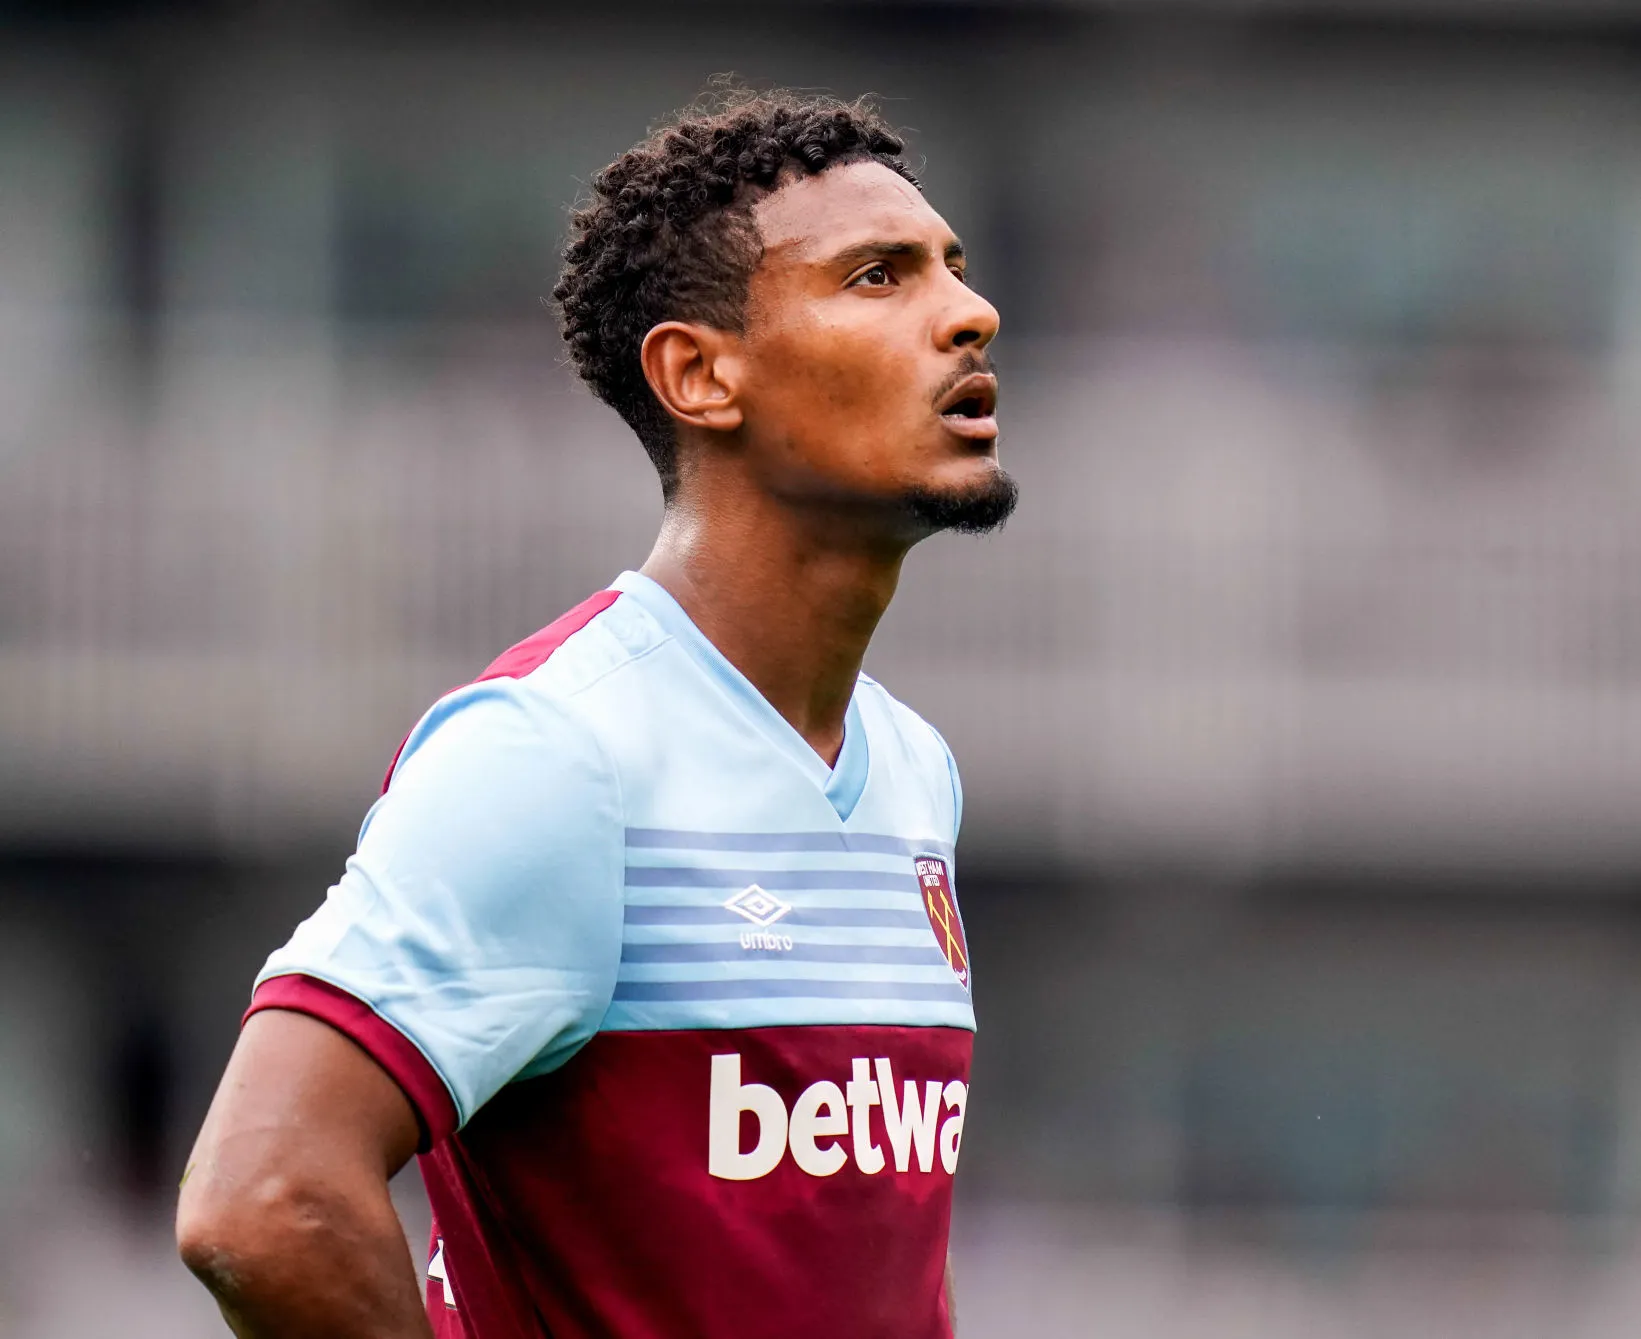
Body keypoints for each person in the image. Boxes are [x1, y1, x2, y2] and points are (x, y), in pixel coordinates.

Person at [175, 87, 1013, 1339]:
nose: (968, 311)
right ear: (698, 374)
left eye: (952, 267)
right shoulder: (557, 755)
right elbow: (263, 1201)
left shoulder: (911, 765)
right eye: (877, 277)